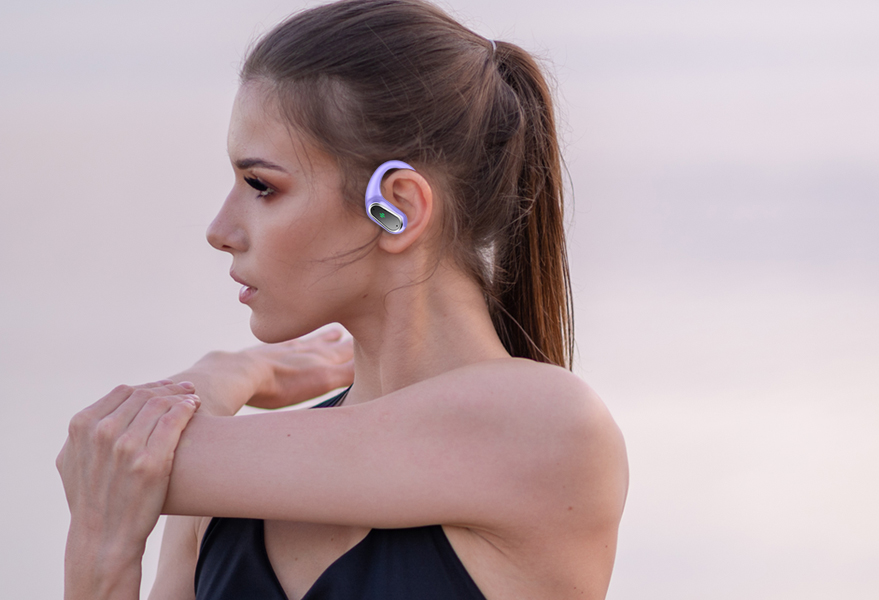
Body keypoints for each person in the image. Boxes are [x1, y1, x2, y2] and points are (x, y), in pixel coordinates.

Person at [53, 1, 629, 598]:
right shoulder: (221, 498)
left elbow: (102, 446)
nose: (220, 229)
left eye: (261, 186)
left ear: (396, 209)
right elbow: (106, 453)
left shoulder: (545, 427)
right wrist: (102, 547)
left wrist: (219, 377)